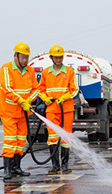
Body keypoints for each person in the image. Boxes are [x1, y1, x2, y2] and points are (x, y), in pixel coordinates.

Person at [0, 42, 40, 180]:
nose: (25, 61)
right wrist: (22, 100)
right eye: (22, 57)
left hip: (23, 113)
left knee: (21, 140)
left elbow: (36, 89)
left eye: (27, 58)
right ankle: (7, 170)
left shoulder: (30, 71)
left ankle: (16, 167)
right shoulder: (6, 68)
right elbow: (7, 88)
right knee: (10, 140)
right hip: (9, 111)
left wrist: (29, 101)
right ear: (15, 56)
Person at [39, 45, 79, 175]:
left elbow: (74, 90)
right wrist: (45, 98)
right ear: (51, 58)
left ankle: (65, 165)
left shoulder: (69, 72)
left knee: (65, 137)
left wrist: (64, 97)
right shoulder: (46, 72)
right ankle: (55, 166)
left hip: (66, 109)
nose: (58, 59)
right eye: (56, 57)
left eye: (60, 57)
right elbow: (41, 90)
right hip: (51, 109)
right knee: (52, 137)